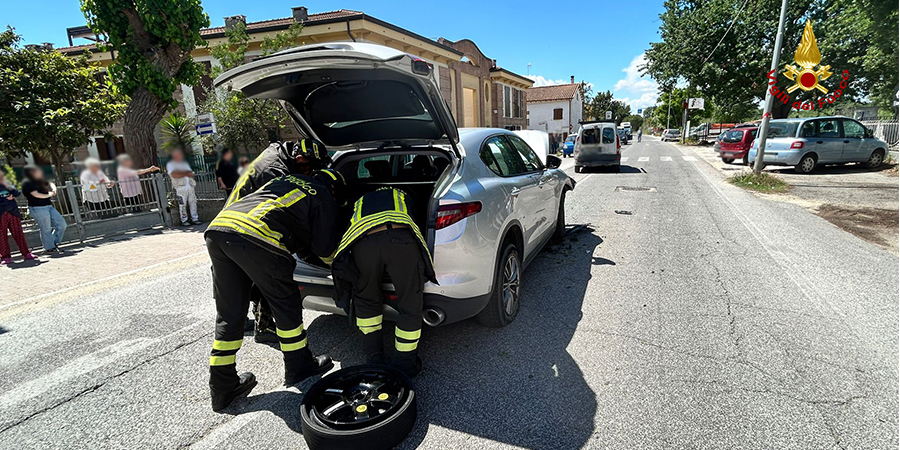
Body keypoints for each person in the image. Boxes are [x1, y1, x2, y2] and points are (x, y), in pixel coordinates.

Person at [204, 171, 343, 412]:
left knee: (230, 313)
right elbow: (324, 248)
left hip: (219, 229)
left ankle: (221, 386)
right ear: (333, 188)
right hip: (257, 236)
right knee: (285, 304)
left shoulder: (282, 180)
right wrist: (342, 266)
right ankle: (299, 365)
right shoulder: (321, 194)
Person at [225, 140, 332, 344]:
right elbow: (289, 216)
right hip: (245, 226)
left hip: (233, 225)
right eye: (311, 169)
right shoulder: (274, 172)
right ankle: (263, 327)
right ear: (300, 159)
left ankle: (240, 322)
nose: (310, 175)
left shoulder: (279, 154)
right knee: (267, 274)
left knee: (238, 279)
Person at [332, 187, 437, 377]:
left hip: (363, 244)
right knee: (409, 304)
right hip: (400, 240)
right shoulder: (403, 194)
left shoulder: (360, 199)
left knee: (365, 301)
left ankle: (374, 359)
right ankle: (405, 364)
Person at [22, 166, 67, 255]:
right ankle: (49, 247)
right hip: (37, 208)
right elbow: (36, 194)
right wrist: (49, 194)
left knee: (62, 224)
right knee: (46, 228)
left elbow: (50, 183)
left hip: (48, 206)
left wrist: (54, 189)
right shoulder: (27, 183)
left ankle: (54, 242)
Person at [0, 171, 37, 264]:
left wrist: (12, 194)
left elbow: (17, 192)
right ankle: (5, 257)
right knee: (2, 236)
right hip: (1, 214)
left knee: (18, 233)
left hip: (13, 213)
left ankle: (26, 253)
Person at [166, 149, 201, 226]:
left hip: (190, 186)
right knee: (182, 204)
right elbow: (174, 174)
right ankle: (184, 220)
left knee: (193, 203)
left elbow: (191, 174)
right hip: (180, 188)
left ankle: (195, 218)